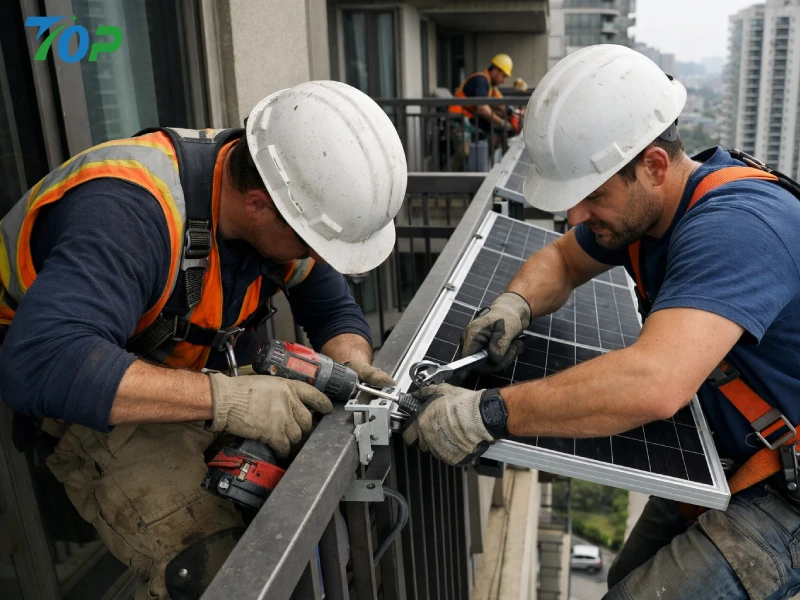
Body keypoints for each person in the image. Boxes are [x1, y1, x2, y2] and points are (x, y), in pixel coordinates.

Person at [404, 45, 800, 599]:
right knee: (623, 580)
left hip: (785, 490)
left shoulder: (736, 228)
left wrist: (487, 412)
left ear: (654, 166)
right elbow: (562, 260)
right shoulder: (647, 209)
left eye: (590, 196)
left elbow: (654, 383)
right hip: (729, 448)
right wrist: (514, 304)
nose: (576, 217)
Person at [0, 80, 407, 600]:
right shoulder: (128, 214)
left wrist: (353, 366)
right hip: (88, 388)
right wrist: (227, 399)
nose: (318, 257)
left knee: (327, 515)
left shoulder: (275, 190)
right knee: (215, 568)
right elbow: (40, 363)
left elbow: (331, 310)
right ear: (259, 206)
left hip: (191, 378)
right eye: (314, 243)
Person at [446, 53, 516, 171]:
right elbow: (482, 109)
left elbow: (500, 104)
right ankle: (444, 181)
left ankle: (479, 172)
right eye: (503, 76)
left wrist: (512, 113)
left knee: (491, 137)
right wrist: (502, 123)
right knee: (463, 151)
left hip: (468, 120)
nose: (503, 80)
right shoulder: (480, 80)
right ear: (495, 71)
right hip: (457, 119)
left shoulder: (490, 86)